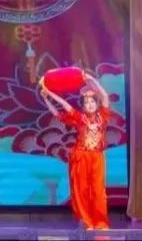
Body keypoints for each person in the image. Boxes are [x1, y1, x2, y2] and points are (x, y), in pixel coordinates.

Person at [40, 71, 112, 231]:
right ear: (83, 106)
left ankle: (100, 222)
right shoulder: (80, 118)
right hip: (81, 156)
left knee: (98, 190)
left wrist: (91, 79)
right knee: (81, 190)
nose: (90, 104)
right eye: (86, 103)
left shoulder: (103, 116)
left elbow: (105, 95)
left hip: (97, 157)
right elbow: (61, 108)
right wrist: (48, 95)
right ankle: (87, 222)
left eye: (92, 102)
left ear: (97, 104)